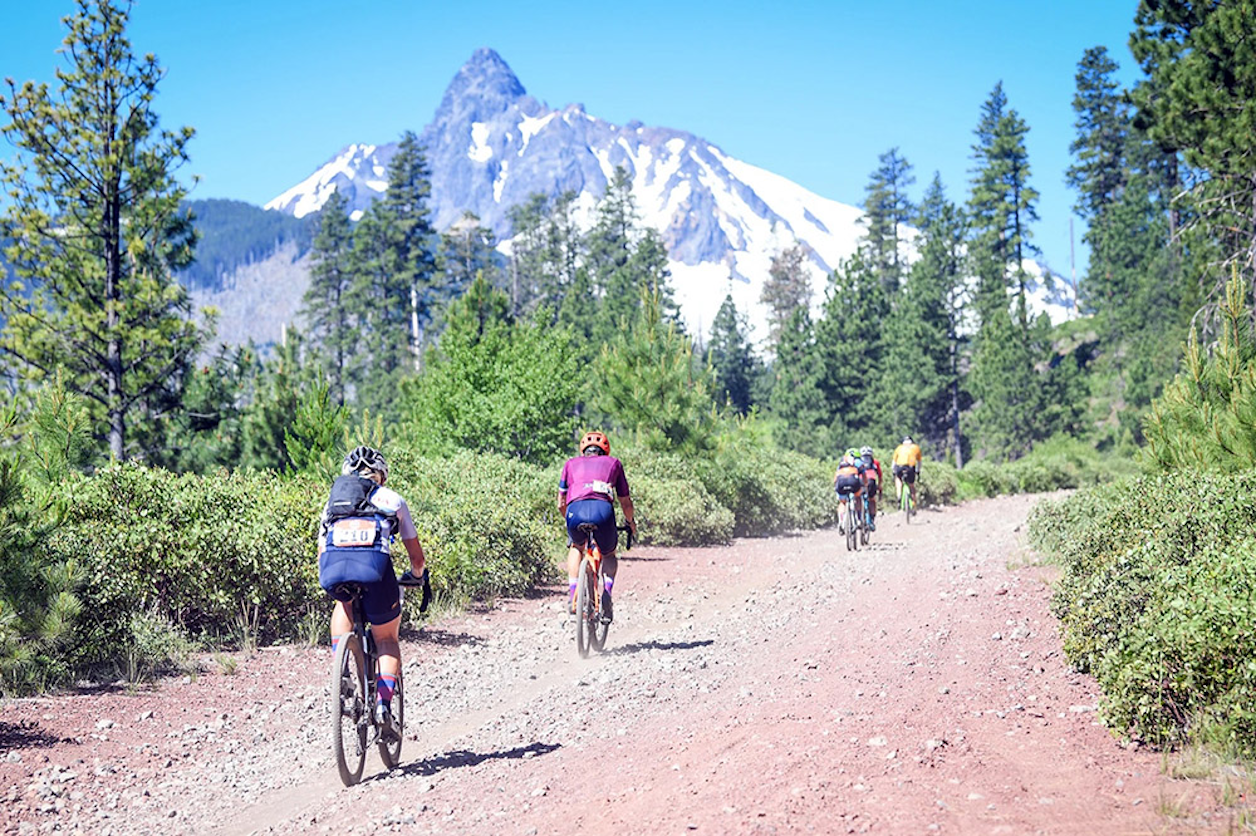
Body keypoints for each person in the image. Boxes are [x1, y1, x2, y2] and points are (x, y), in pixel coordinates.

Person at [317, 446, 426, 739]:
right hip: (375, 571)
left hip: (333, 568)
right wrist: (417, 576)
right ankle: (382, 705)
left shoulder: (331, 503)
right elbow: (417, 558)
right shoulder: (392, 499)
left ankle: (341, 669)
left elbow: (321, 550)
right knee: (387, 639)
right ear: (382, 475)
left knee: (343, 604)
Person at [557, 431, 636, 623]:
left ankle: (574, 596)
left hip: (575, 510)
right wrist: (630, 523)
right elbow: (625, 502)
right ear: (605, 450)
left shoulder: (570, 464)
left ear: (583, 450)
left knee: (577, 547)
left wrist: (569, 522)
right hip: (603, 510)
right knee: (608, 554)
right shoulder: (614, 463)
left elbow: (560, 503)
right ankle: (607, 591)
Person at [833, 448, 865, 533]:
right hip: (853, 481)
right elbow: (864, 476)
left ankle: (841, 521)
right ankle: (858, 519)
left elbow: (835, 478)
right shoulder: (858, 462)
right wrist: (865, 485)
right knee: (858, 498)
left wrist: (835, 487)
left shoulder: (841, 463)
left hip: (841, 482)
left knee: (842, 502)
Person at [892, 435, 923, 512]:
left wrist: (893, 471)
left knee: (898, 479)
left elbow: (894, 462)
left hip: (899, 467)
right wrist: (918, 471)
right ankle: (913, 503)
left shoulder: (899, 448)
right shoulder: (916, 447)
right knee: (911, 486)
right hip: (910, 468)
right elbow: (919, 462)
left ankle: (899, 495)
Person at [859, 446, 883, 530]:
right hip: (871, 481)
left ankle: (858, 517)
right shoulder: (875, 462)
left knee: (858, 498)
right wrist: (879, 486)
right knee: (872, 499)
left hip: (860, 481)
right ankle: (872, 520)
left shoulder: (858, 462)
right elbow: (879, 475)